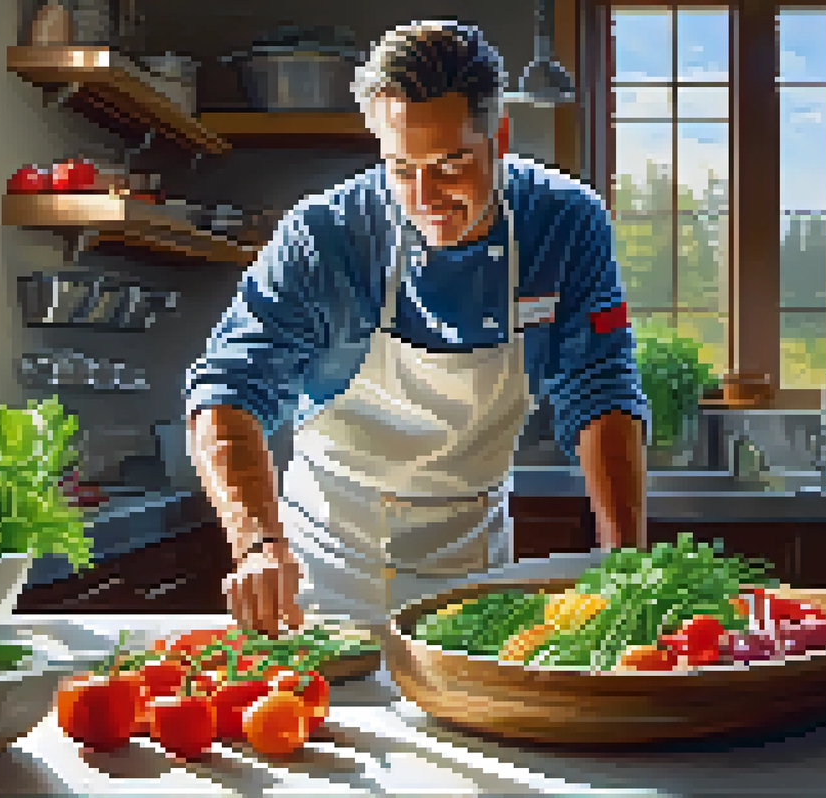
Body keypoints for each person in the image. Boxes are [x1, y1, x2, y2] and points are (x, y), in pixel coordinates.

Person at [185, 20, 650, 636]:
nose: (426, 196)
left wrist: (627, 563)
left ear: (500, 134)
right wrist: (256, 544)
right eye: (402, 167)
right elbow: (228, 390)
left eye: (452, 163)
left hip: (476, 573)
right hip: (325, 572)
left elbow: (601, 389)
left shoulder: (563, 223)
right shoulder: (324, 235)